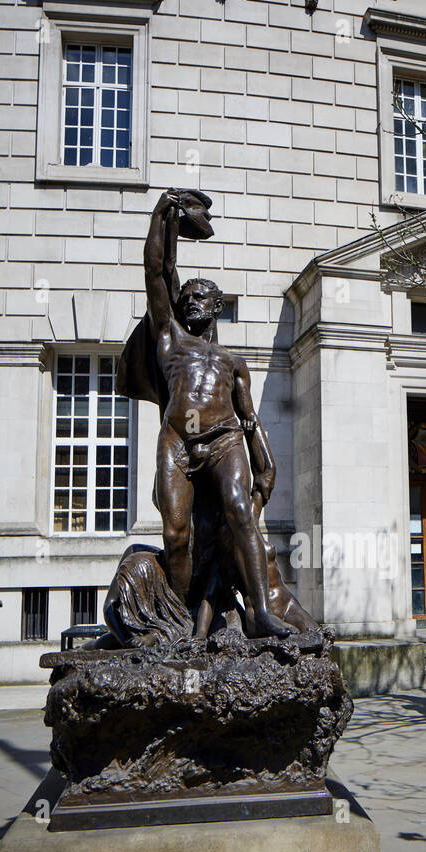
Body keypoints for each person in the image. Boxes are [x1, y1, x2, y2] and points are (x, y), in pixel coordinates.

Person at [136, 189, 290, 637]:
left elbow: (249, 417)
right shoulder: (169, 338)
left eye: (201, 295)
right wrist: (164, 212)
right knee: (176, 536)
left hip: (225, 440)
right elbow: (157, 271)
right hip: (178, 442)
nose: (190, 300)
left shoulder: (232, 361)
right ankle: (183, 622)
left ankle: (260, 613)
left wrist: (265, 460)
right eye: (186, 295)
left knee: (240, 510)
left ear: (217, 306)